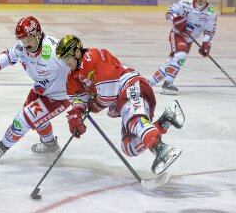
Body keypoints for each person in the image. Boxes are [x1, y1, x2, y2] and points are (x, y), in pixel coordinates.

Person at [55, 35, 184, 175]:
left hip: (131, 84)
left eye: (66, 57)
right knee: (128, 146)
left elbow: (107, 95)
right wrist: (76, 114)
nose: (65, 62)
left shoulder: (93, 56)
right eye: (62, 59)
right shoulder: (73, 77)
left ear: (77, 52)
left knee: (133, 120)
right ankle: (165, 120)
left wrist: (93, 106)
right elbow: (79, 100)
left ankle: (161, 149)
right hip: (122, 98)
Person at [0, 16, 71, 163]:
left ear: (38, 34)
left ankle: (1, 148)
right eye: (22, 40)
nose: (25, 44)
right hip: (41, 90)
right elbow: (9, 55)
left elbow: (79, 64)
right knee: (37, 120)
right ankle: (50, 145)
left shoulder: (54, 50)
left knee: (22, 119)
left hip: (59, 97)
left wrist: (88, 92)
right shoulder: (22, 46)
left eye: (28, 39)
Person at [149, 0, 217, 95]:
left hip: (189, 40)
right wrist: (176, 20)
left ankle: (149, 84)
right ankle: (168, 84)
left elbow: (209, 31)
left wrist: (206, 44)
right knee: (181, 56)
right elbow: (169, 13)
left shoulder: (211, 12)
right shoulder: (185, 4)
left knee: (171, 63)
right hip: (177, 35)